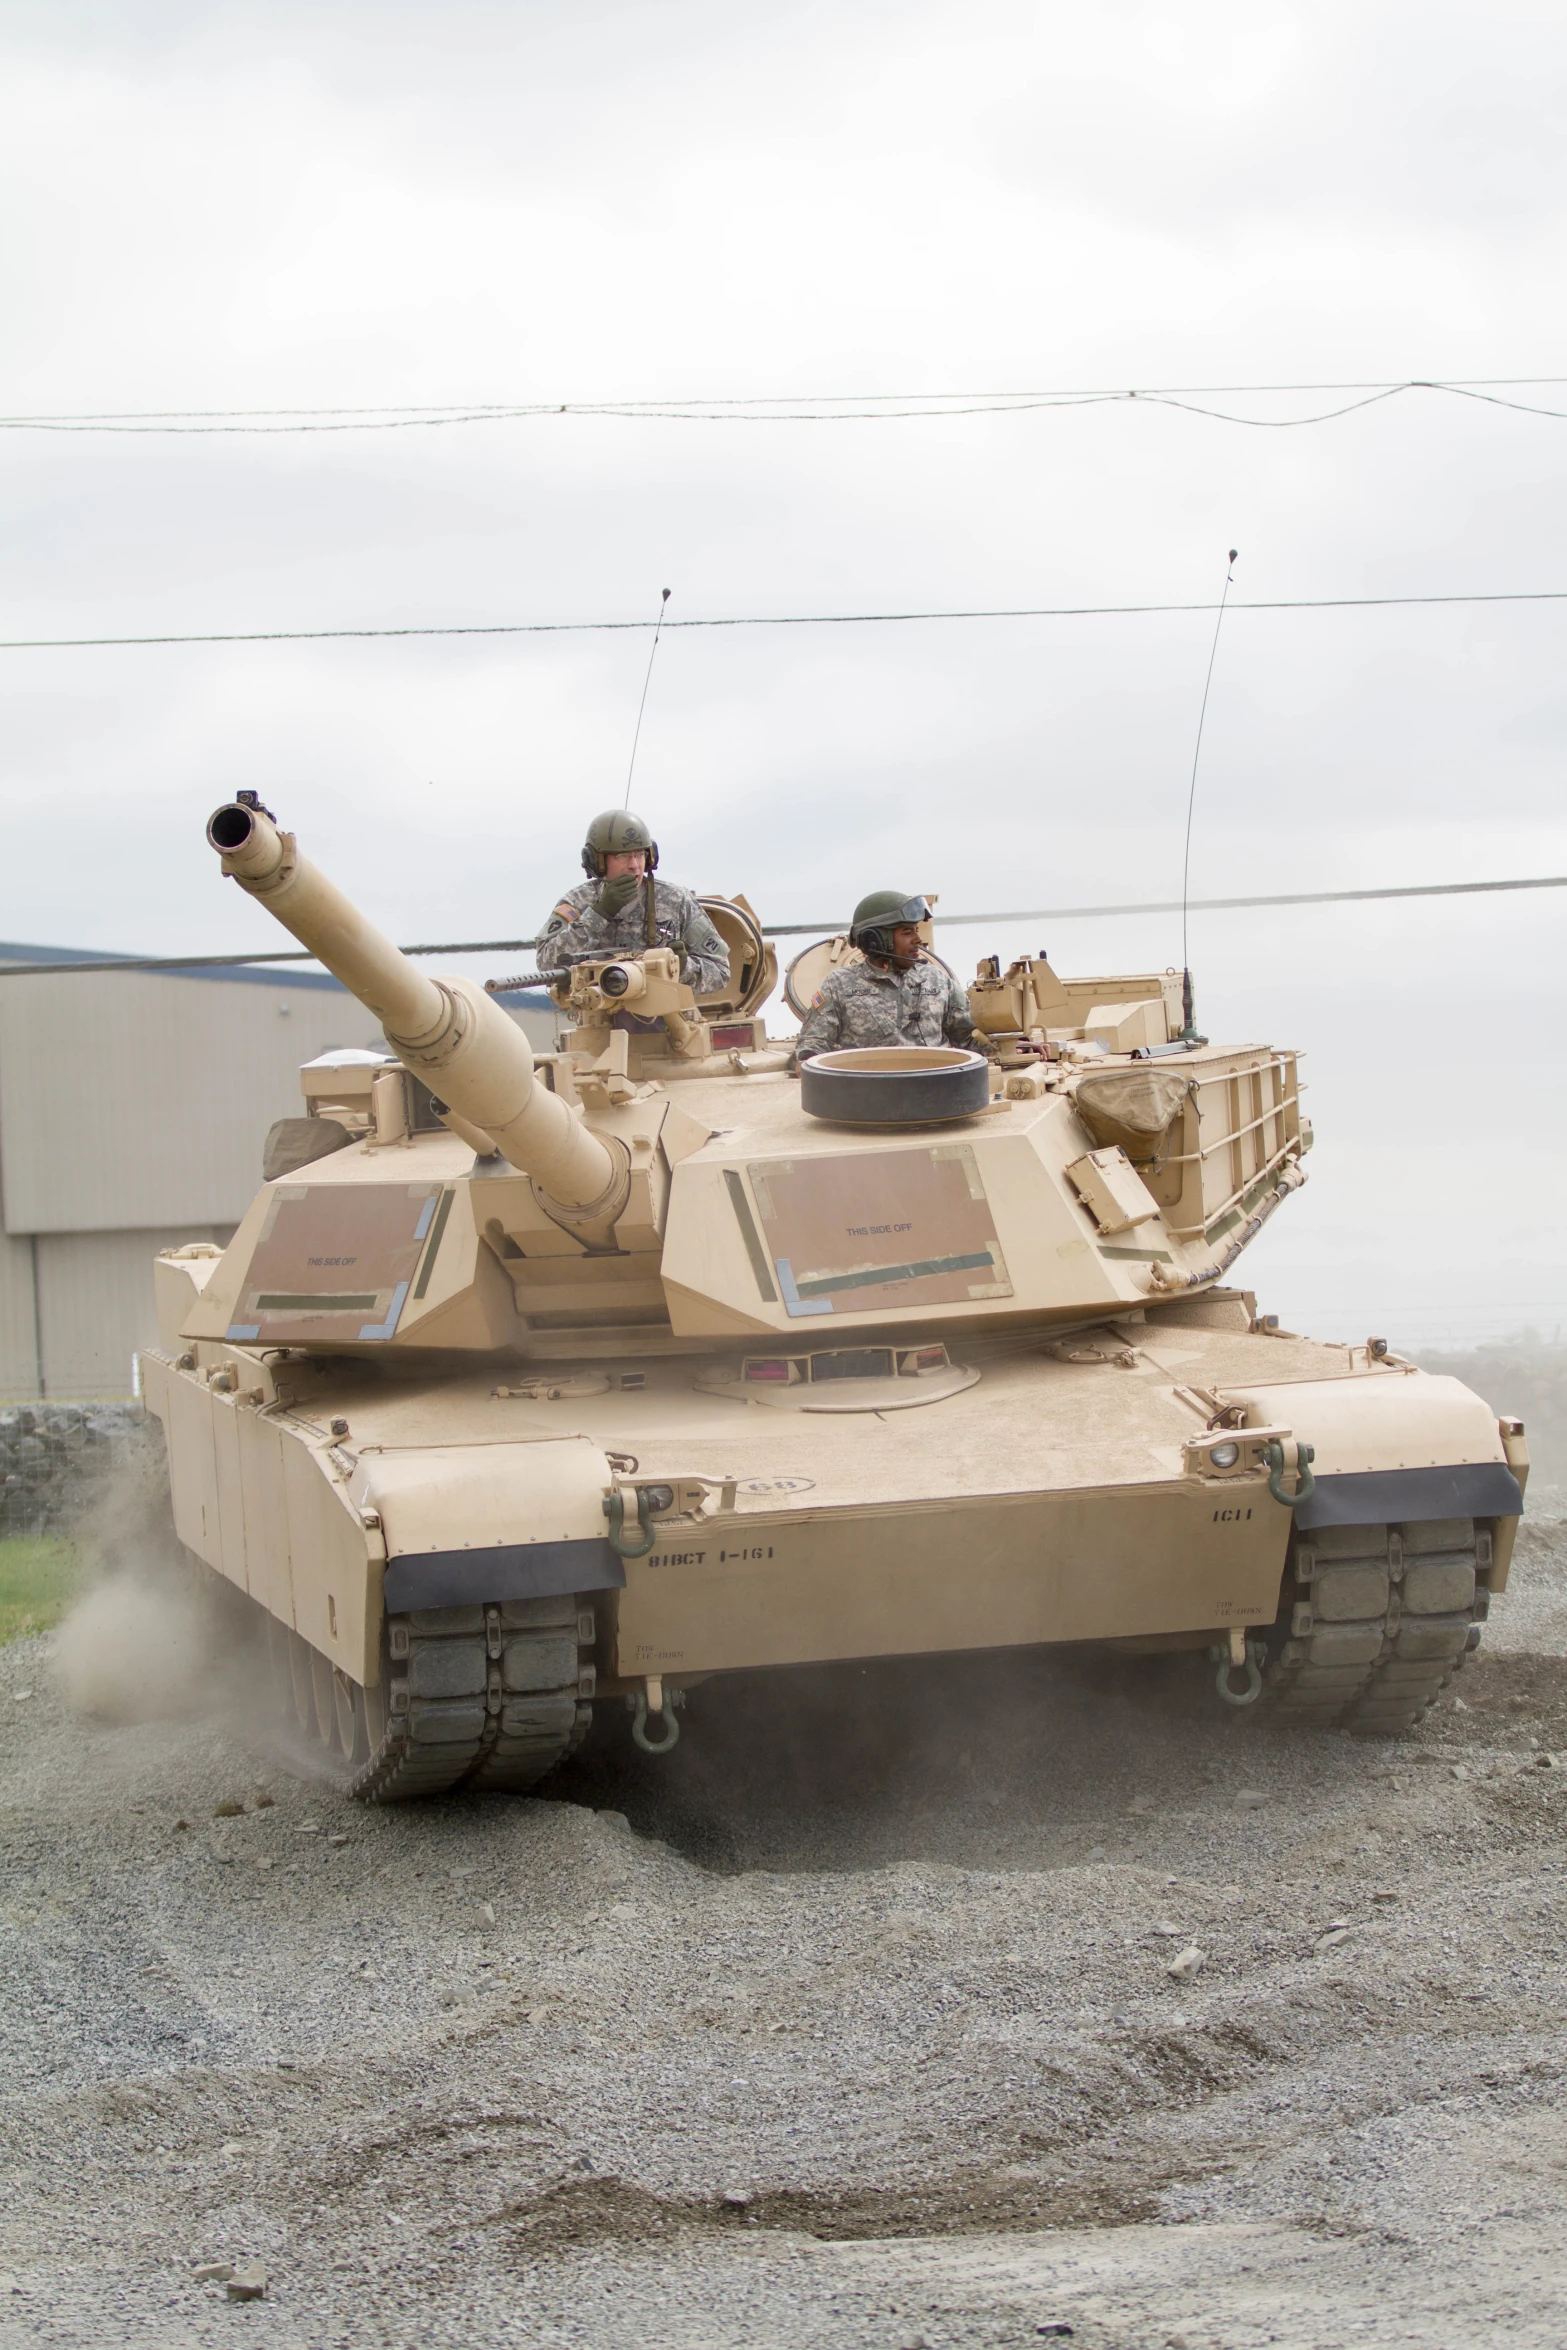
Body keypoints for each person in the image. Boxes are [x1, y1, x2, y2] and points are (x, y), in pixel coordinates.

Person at [537, 810, 730, 994]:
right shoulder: (578, 902)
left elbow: (721, 970)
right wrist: (598, 914)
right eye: (622, 856)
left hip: (669, 1021)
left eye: (639, 854)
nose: (634, 865)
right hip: (597, 1021)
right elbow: (546, 964)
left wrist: (681, 967)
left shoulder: (676, 900)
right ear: (598, 861)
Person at [796, 891, 984, 1060]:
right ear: (875, 940)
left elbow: (969, 1038)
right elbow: (812, 1044)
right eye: (907, 932)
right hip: (871, 1088)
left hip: (935, 1084)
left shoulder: (938, 980)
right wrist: (808, 1058)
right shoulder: (840, 984)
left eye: (916, 931)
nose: (918, 940)